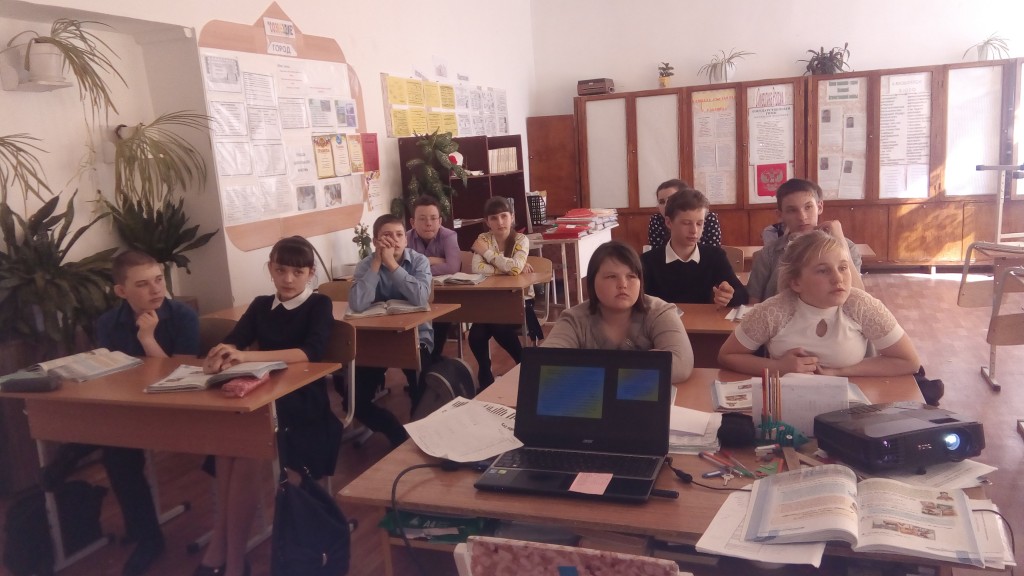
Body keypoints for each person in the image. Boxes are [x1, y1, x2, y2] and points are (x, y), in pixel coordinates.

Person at [199, 236, 341, 576]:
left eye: (297, 272)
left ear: (310, 274)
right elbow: (235, 340)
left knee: (248, 446)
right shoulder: (262, 305)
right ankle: (223, 544)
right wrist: (219, 355)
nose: (288, 279)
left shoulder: (318, 304)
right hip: (261, 395)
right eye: (280, 270)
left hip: (302, 401)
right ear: (270, 269)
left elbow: (309, 352)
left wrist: (247, 356)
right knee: (227, 445)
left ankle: (231, 559)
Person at [89, 250, 199, 576]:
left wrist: (148, 339)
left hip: (181, 407)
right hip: (133, 409)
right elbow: (110, 375)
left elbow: (181, 375)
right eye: (142, 284)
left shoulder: (182, 316)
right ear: (121, 291)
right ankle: (149, 538)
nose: (155, 290)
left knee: (112, 443)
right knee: (117, 454)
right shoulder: (108, 323)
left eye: (158, 280)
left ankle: (68, 456)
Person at [718, 231, 920, 378]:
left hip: (851, 403)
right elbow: (727, 355)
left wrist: (840, 372)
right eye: (823, 271)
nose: (838, 278)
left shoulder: (861, 305)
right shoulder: (773, 311)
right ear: (796, 283)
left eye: (843, 268)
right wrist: (779, 368)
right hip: (788, 402)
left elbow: (909, 361)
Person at [544, 241, 694, 382]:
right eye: (611, 277)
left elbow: (681, 365)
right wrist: (648, 362)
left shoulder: (659, 312)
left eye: (631, 276)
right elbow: (545, 363)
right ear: (592, 282)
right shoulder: (574, 319)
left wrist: (585, 366)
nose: (623, 284)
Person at [348, 214, 433, 446]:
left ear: (406, 240)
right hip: (375, 340)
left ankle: (419, 437)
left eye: (398, 235)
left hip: (415, 337)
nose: (394, 240)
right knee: (355, 400)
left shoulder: (419, 261)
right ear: (376, 241)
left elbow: (420, 297)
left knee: (421, 392)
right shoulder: (366, 264)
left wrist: (392, 265)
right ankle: (395, 432)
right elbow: (357, 303)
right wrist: (377, 263)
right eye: (387, 235)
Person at [747, 178, 864, 304]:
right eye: (792, 210)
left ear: (819, 207)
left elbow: (860, 299)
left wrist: (840, 241)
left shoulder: (847, 247)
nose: (802, 217)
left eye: (808, 207)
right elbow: (753, 301)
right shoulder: (770, 253)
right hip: (778, 315)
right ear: (780, 215)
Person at [641, 188, 748, 307]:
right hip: (663, 319)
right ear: (668, 222)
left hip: (703, 319)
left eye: (699, 223)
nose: (694, 230)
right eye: (686, 223)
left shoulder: (715, 256)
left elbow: (743, 295)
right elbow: (638, 301)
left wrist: (729, 296)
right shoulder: (647, 261)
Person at [468, 196, 534, 389]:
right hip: (491, 302)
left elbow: (515, 268)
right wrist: (510, 268)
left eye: (504, 216)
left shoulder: (521, 239)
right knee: (476, 334)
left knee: (498, 324)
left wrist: (488, 254)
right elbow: (477, 268)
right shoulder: (483, 239)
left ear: (512, 217)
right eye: (494, 218)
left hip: (519, 301)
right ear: (487, 222)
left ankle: (523, 363)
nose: (500, 222)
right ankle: (485, 372)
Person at [406, 194, 460, 361]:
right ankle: (421, 362)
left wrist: (421, 265)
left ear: (440, 221)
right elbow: (403, 270)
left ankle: (431, 361)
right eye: (422, 219)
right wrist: (434, 261)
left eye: (433, 218)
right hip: (415, 296)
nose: (428, 223)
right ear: (412, 222)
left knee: (441, 316)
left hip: (445, 295)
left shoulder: (449, 236)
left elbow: (453, 267)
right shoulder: (405, 238)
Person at [647, 178, 722, 249]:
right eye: (661, 202)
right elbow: (656, 251)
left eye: (671, 200)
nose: (666, 205)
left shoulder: (709, 218)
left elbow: (714, 251)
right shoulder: (656, 220)